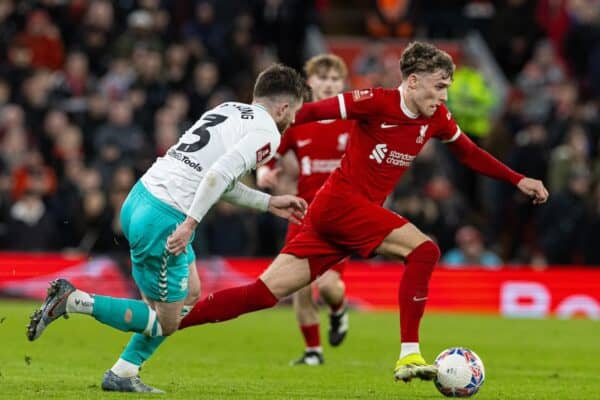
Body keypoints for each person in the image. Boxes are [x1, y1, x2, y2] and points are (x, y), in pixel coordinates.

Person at [177, 42, 549, 383]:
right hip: (341, 205)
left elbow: (468, 153)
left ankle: (165, 322)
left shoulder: (436, 118)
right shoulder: (376, 102)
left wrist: (517, 180)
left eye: (447, 88)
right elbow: (311, 112)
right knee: (424, 251)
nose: (444, 96)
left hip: (334, 213)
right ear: (414, 81)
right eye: (439, 86)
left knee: (261, 294)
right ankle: (409, 355)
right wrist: (256, 127)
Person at [27, 64, 309, 392]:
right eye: (295, 113)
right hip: (167, 216)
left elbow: (218, 178)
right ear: (284, 107)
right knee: (166, 320)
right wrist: (190, 224)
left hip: (143, 196)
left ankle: (124, 373)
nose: (292, 122)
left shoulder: (230, 110)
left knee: (189, 292)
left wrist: (267, 202)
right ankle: (73, 300)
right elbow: (216, 176)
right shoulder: (268, 134)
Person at [257, 54, 354, 366]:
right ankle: (313, 351)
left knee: (327, 286)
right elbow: (272, 150)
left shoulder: (353, 121)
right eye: (322, 79)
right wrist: (265, 171)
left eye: (334, 79)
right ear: (310, 84)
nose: (328, 84)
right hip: (304, 212)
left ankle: (339, 310)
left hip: (341, 215)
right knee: (297, 284)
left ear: (342, 84)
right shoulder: (298, 121)